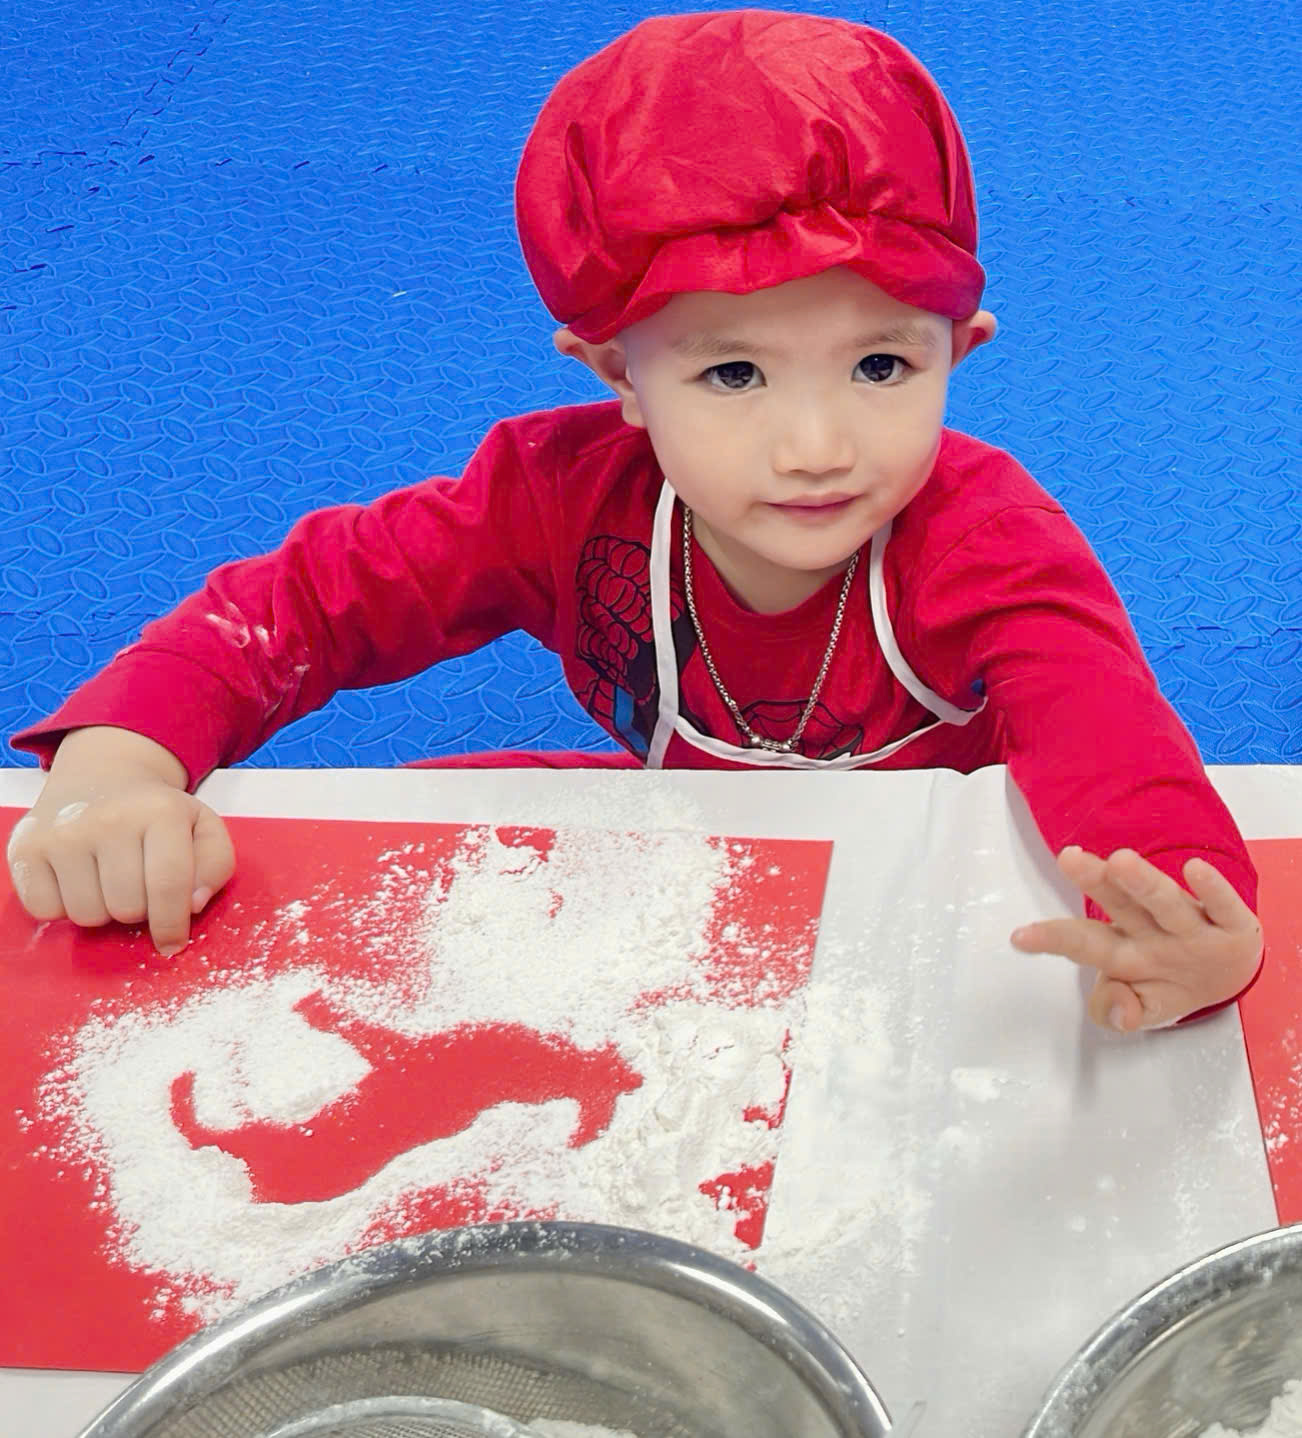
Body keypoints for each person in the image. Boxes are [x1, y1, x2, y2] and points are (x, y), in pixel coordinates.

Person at [5, 10, 1262, 1032]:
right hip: (697, 845)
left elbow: (1102, 724)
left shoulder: (983, 533)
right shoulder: (556, 495)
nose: (818, 447)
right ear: (614, 373)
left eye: (883, 368)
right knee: (378, 854)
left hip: (935, 878)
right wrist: (126, 754)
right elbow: (312, 598)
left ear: (960, 347)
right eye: (731, 376)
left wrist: (1189, 911)